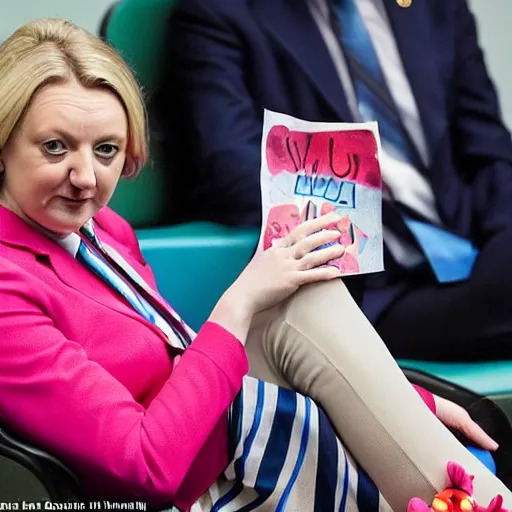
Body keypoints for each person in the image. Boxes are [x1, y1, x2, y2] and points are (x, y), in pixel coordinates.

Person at [0, 18, 510, 512]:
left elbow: (182, 366)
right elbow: (146, 468)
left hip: (228, 440)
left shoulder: (104, 229)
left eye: (106, 150)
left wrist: (404, 402)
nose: (86, 177)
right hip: (190, 489)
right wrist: (240, 301)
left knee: (304, 289)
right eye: (55, 147)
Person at [161, 0, 512, 362]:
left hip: (473, 254)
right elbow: (237, 179)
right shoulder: (218, 12)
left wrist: (499, 251)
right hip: (367, 288)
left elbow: (488, 148)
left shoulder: (434, 7)